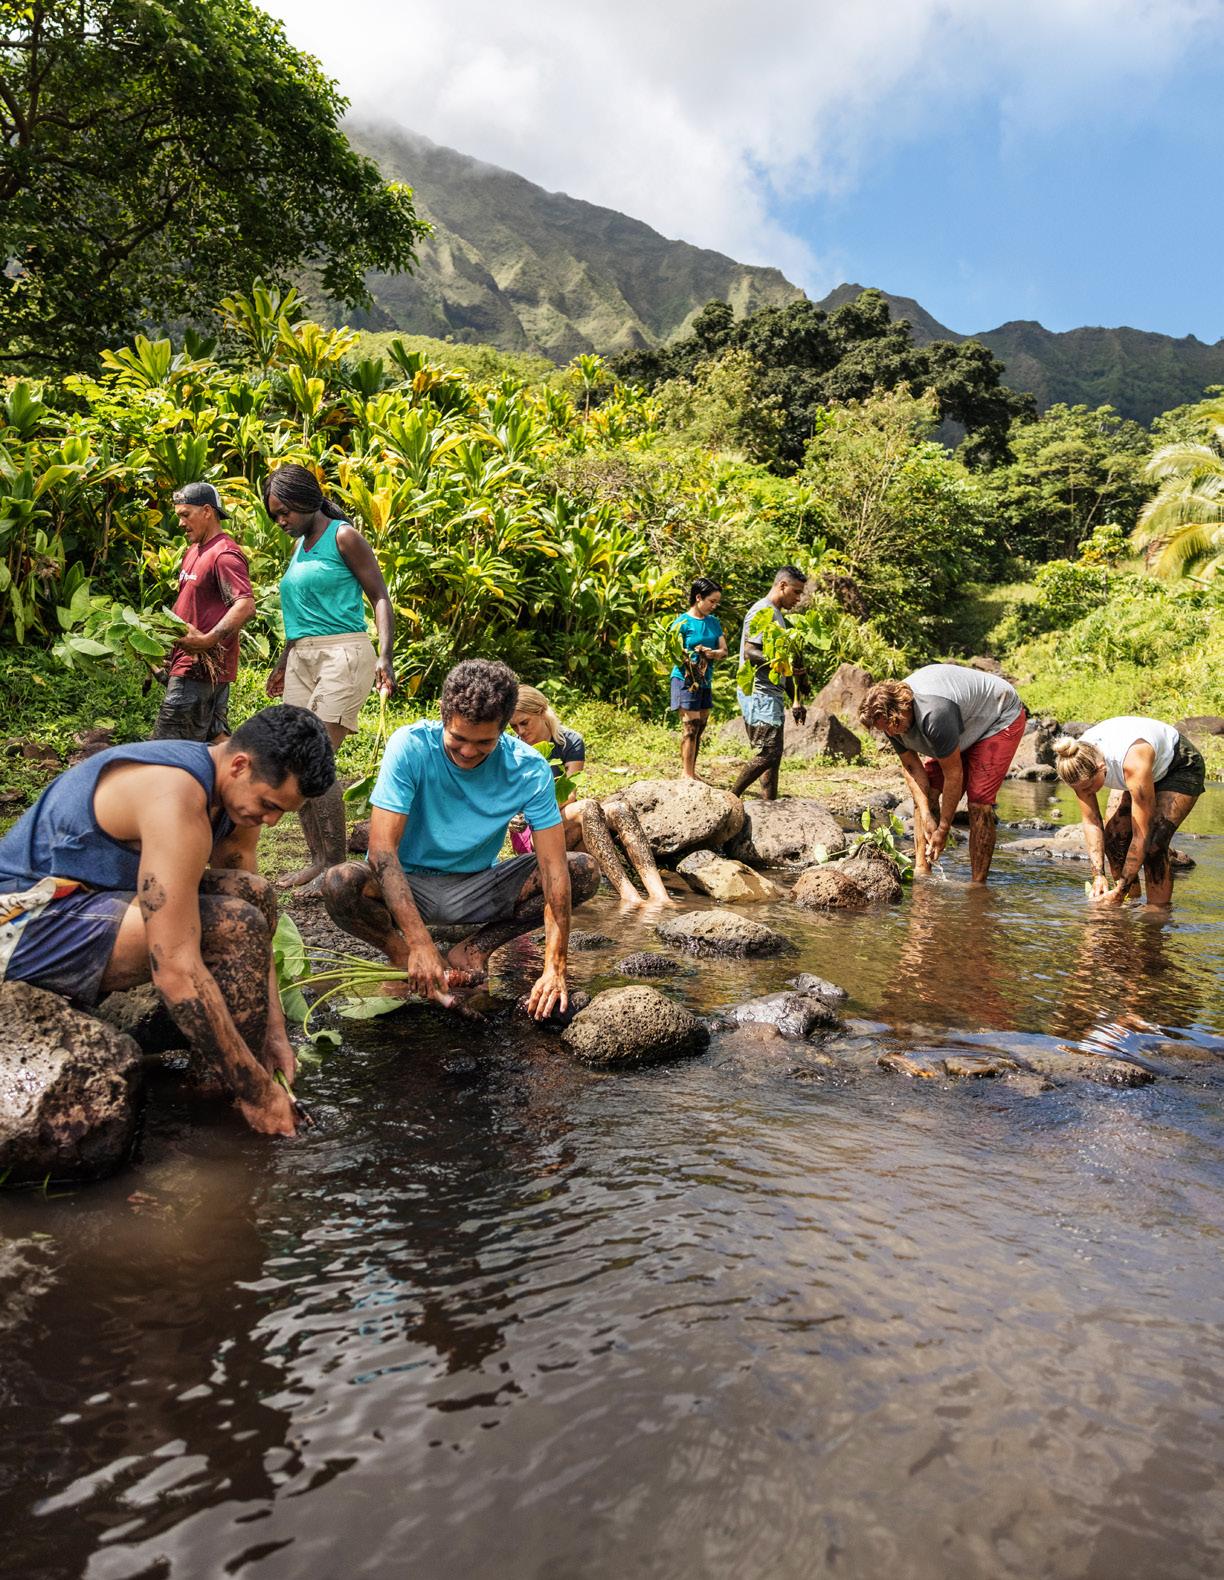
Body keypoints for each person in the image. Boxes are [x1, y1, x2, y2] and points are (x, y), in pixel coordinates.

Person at [0, 706, 336, 1135]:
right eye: (269, 805)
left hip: (84, 902)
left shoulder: (230, 795)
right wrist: (257, 1092)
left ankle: (219, 1080)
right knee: (234, 929)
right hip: (20, 921)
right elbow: (175, 970)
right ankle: (233, 1105)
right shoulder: (175, 799)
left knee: (254, 896)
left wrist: (274, 1032)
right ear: (239, 764)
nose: (271, 821)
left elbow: (256, 905)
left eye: (282, 812)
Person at [321, 660, 600, 1019]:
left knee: (582, 871)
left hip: (479, 886)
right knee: (340, 882)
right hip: (408, 883)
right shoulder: (410, 746)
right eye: (458, 739)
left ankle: (473, 950)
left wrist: (554, 967)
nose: (468, 752)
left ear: (504, 730)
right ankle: (402, 956)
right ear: (443, 718)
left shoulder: (528, 768)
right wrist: (420, 945)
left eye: (484, 742)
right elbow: (382, 853)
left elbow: (553, 868)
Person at [263, 463, 396, 890]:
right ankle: (318, 861)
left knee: (314, 758)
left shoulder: (343, 536)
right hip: (302, 656)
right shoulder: (300, 546)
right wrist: (284, 660)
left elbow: (379, 596)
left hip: (345, 653)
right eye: (275, 515)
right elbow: (299, 614)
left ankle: (336, 866)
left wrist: (385, 655)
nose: (281, 522)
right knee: (292, 758)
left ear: (305, 501)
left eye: (284, 512)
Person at [859, 665, 1026, 884]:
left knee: (978, 801)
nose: (890, 733)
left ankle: (977, 888)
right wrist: (927, 815)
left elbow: (953, 774)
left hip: (997, 718)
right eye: (884, 729)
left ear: (902, 709)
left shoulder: (934, 714)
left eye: (892, 725)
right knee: (928, 795)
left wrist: (944, 828)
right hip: (961, 723)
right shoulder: (888, 722)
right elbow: (912, 768)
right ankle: (922, 871)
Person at [510, 685, 674, 907]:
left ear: (541, 711)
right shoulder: (514, 751)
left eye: (524, 723)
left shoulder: (570, 741)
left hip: (564, 822)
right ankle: (629, 896)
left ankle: (660, 895)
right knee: (586, 807)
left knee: (620, 809)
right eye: (514, 726)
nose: (520, 731)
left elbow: (568, 795)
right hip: (536, 832)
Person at [1052, 717, 1205, 909]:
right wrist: (1098, 875)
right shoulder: (1075, 762)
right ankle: (1129, 903)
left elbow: (1142, 834)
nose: (1087, 792)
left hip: (1179, 766)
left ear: (1101, 768)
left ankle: (1157, 914)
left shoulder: (1131, 764)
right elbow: (1092, 822)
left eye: (1089, 786)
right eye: (1080, 789)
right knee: (1114, 839)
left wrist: (1120, 888)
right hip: (1138, 770)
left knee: (1154, 845)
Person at [152, 482, 256, 742]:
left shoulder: (224, 554)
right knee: (216, 742)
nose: (180, 523)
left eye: (185, 515)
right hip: (189, 665)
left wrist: (208, 640)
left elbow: (245, 605)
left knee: (166, 750)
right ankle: (254, 779)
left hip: (198, 669)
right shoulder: (194, 551)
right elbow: (190, 606)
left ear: (207, 511)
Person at [732, 565, 808, 801]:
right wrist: (783, 664)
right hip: (758, 693)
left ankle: (769, 803)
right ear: (782, 586)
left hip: (771, 693)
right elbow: (750, 652)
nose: (798, 598)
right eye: (796, 592)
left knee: (774, 755)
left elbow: (779, 668)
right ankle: (731, 796)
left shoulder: (777, 616)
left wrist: (795, 699)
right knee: (770, 751)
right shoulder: (761, 611)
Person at [669, 578, 727, 780]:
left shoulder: (714, 622)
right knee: (690, 726)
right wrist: (689, 655)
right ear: (698, 597)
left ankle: (692, 771)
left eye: (717, 602)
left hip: (705, 679)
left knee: (700, 727)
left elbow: (724, 650)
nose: (714, 606)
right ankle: (686, 774)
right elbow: (672, 651)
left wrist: (713, 654)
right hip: (685, 679)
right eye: (711, 601)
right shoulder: (682, 622)